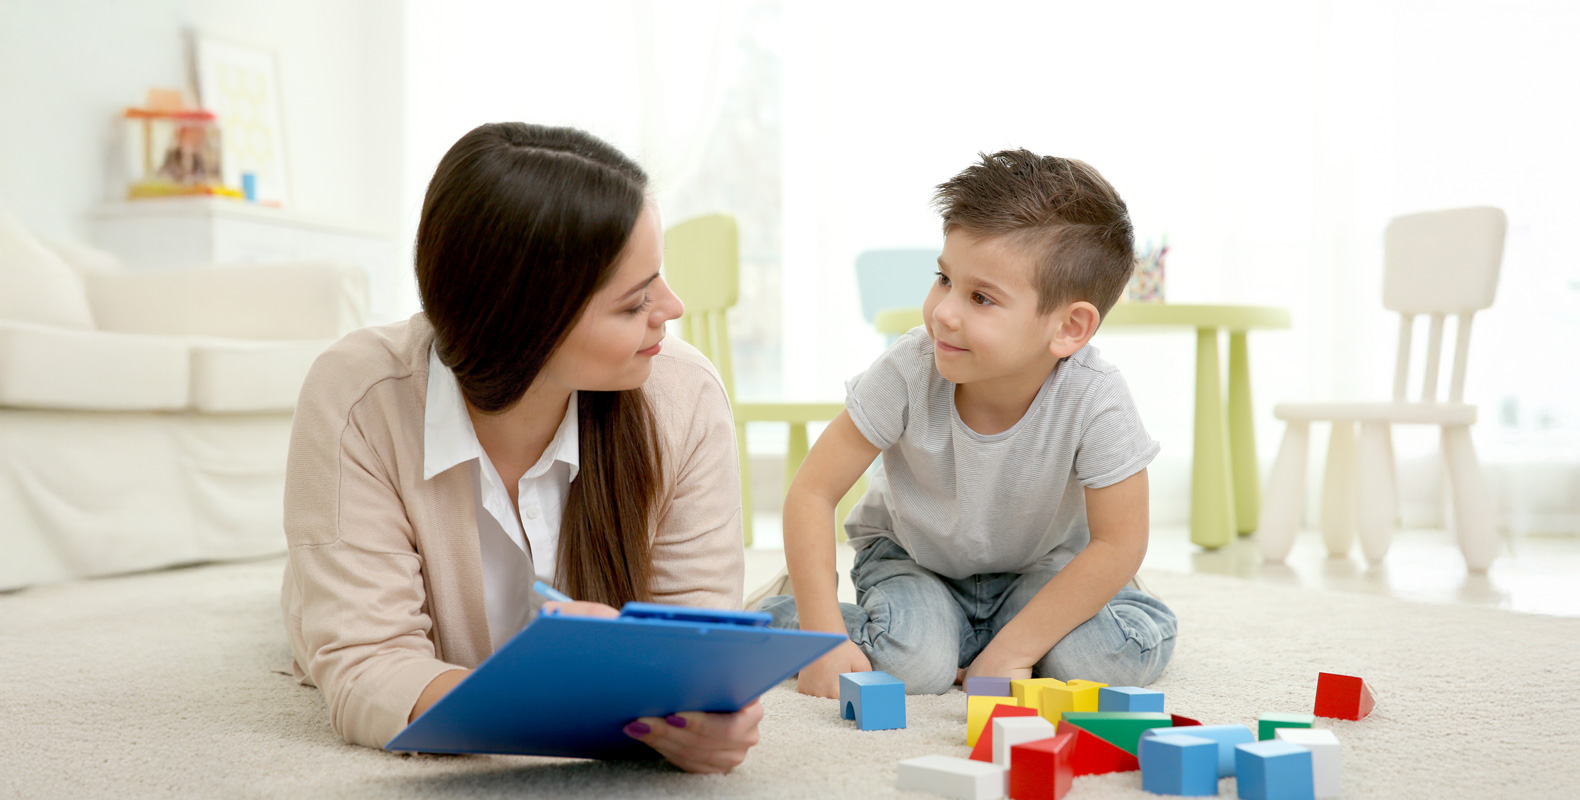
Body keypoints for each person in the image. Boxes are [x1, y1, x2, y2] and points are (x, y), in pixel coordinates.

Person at [281, 122, 758, 773]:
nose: (671, 308)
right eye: (633, 302)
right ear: (526, 323)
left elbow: (698, 646)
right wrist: (560, 693)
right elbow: (366, 667)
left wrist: (701, 715)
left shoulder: (684, 396)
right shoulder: (360, 395)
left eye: (659, 280)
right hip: (337, 595)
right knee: (300, 618)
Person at [759, 150, 1177, 698]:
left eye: (981, 297)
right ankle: (781, 613)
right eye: (944, 278)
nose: (943, 313)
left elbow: (1119, 541)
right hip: (915, 561)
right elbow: (813, 491)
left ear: (1070, 327)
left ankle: (1047, 621)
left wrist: (1013, 650)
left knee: (1105, 663)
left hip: (1041, 567)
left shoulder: (1097, 399)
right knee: (915, 667)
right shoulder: (907, 370)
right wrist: (821, 637)